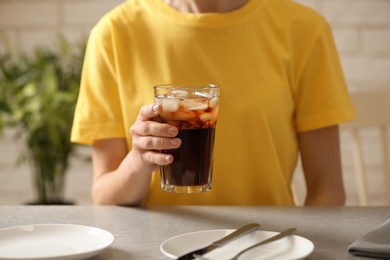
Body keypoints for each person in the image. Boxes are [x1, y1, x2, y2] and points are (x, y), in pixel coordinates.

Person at [71, 0, 356, 206]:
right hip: (154, 246)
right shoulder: (113, 33)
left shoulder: (305, 30)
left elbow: (327, 190)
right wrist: (138, 161)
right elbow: (104, 195)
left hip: (265, 245)